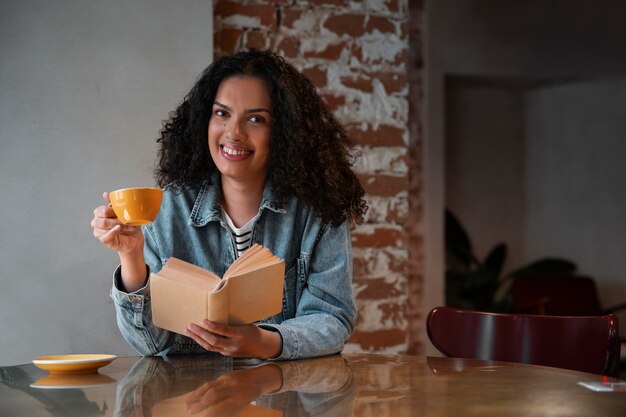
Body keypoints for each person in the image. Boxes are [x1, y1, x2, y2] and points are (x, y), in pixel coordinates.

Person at [91, 49, 367, 361]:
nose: (234, 133)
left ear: (284, 133)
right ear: (203, 121)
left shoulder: (319, 210)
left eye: (256, 119)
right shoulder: (168, 208)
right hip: (190, 401)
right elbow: (150, 344)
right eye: (222, 114)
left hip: (285, 398)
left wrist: (262, 342)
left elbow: (332, 320)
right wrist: (130, 255)